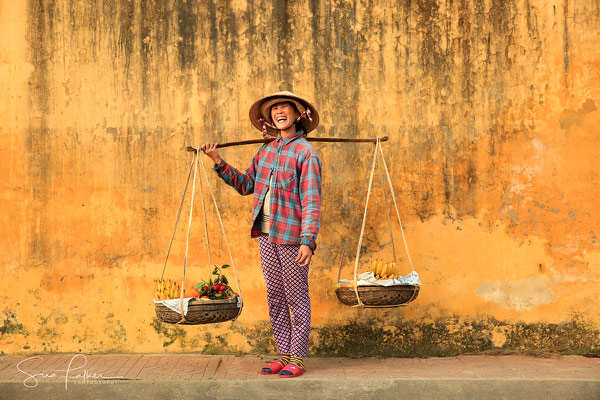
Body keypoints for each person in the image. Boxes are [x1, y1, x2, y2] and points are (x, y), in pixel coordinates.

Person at [200, 91, 322, 378]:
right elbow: (245, 185)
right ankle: (284, 353)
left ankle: (298, 357)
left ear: (297, 114)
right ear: (270, 119)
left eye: (285, 108)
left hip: (292, 237)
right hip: (266, 235)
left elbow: (312, 201)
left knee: (296, 296)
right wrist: (217, 160)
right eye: (275, 109)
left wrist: (308, 241)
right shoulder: (265, 151)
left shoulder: (306, 153)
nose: (279, 112)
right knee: (276, 296)